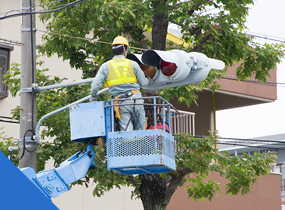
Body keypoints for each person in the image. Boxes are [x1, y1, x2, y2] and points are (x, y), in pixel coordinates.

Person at [90, 36, 152, 131]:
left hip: (121, 103)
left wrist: (93, 98)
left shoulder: (105, 66)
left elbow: (94, 86)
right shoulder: (133, 64)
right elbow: (143, 83)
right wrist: (150, 79)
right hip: (136, 100)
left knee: (127, 133)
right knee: (141, 131)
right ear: (124, 48)